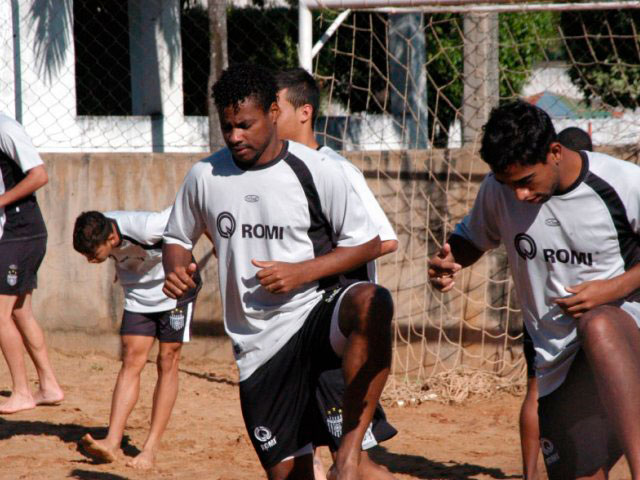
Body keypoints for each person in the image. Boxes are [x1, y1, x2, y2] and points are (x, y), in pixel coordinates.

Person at [162, 63, 393, 480]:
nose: (235, 137)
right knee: (292, 474)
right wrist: (177, 267)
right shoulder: (205, 175)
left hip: (314, 317)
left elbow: (369, 243)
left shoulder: (319, 170)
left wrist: (301, 272)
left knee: (371, 301)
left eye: (245, 125)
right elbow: (177, 237)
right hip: (258, 348)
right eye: (227, 127)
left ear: (273, 112)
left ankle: (349, 451)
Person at [428, 100, 640, 480]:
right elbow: (473, 238)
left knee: (599, 325)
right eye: (511, 185)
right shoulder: (499, 190)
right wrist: (451, 260)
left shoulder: (623, 182)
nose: (520, 196)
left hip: (628, 338)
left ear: (555, 152)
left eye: (526, 182)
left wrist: (612, 289)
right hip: (557, 359)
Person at [275, 67, 398, 480]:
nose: (267, 118)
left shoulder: (334, 169)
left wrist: (311, 269)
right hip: (293, 334)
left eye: (275, 109)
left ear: (304, 112)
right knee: (301, 459)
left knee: (354, 464)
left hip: (333, 336)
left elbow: (383, 239)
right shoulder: (273, 173)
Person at [73, 208, 201, 469]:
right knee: (131, 360)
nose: (89, 260)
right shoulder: (100, 225)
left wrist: (224, 251)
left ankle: (150, 449)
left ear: (110, 240)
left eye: (91, 254)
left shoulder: (148, 227)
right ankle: (112, 441)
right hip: (138, 296)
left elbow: (194, 211)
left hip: (176, 291)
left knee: (167, 360)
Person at [518, 125, 593, 480]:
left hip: (545, 316)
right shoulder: (569, 197)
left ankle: (531, 474)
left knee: (537, 391)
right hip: (559, 319)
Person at [0, 113, 63, 414]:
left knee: (1, 314)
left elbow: (39, 175)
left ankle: (22, 392)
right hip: (12, 234)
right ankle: (48, 386)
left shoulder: (5, 129)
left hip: (19, 233)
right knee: (21, 312)